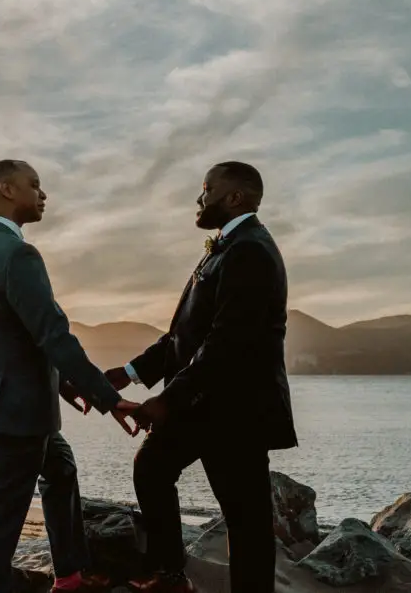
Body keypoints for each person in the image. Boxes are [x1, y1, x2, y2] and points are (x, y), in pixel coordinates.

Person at [0, 159, 136, 593]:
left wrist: (64, 384)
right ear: (8, 190)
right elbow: (53, 333)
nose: (43, 194)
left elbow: (7, 334)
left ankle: (69, 573)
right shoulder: (17, 253)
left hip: (2, 397)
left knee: (61, 468)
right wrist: (107, 396)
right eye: (35, 185)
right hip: (17, 406)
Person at [108, 162, 297, 593]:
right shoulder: (227, 248)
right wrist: (130, 373)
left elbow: (227, 342)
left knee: (244, 518)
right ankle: (171, 576)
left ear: (235, 198)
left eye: (206, 190)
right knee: (152, 467)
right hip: (204, 404)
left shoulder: (251, 250)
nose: (199, 199)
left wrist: (168, 400)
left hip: (237, 411)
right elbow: (183, 337)